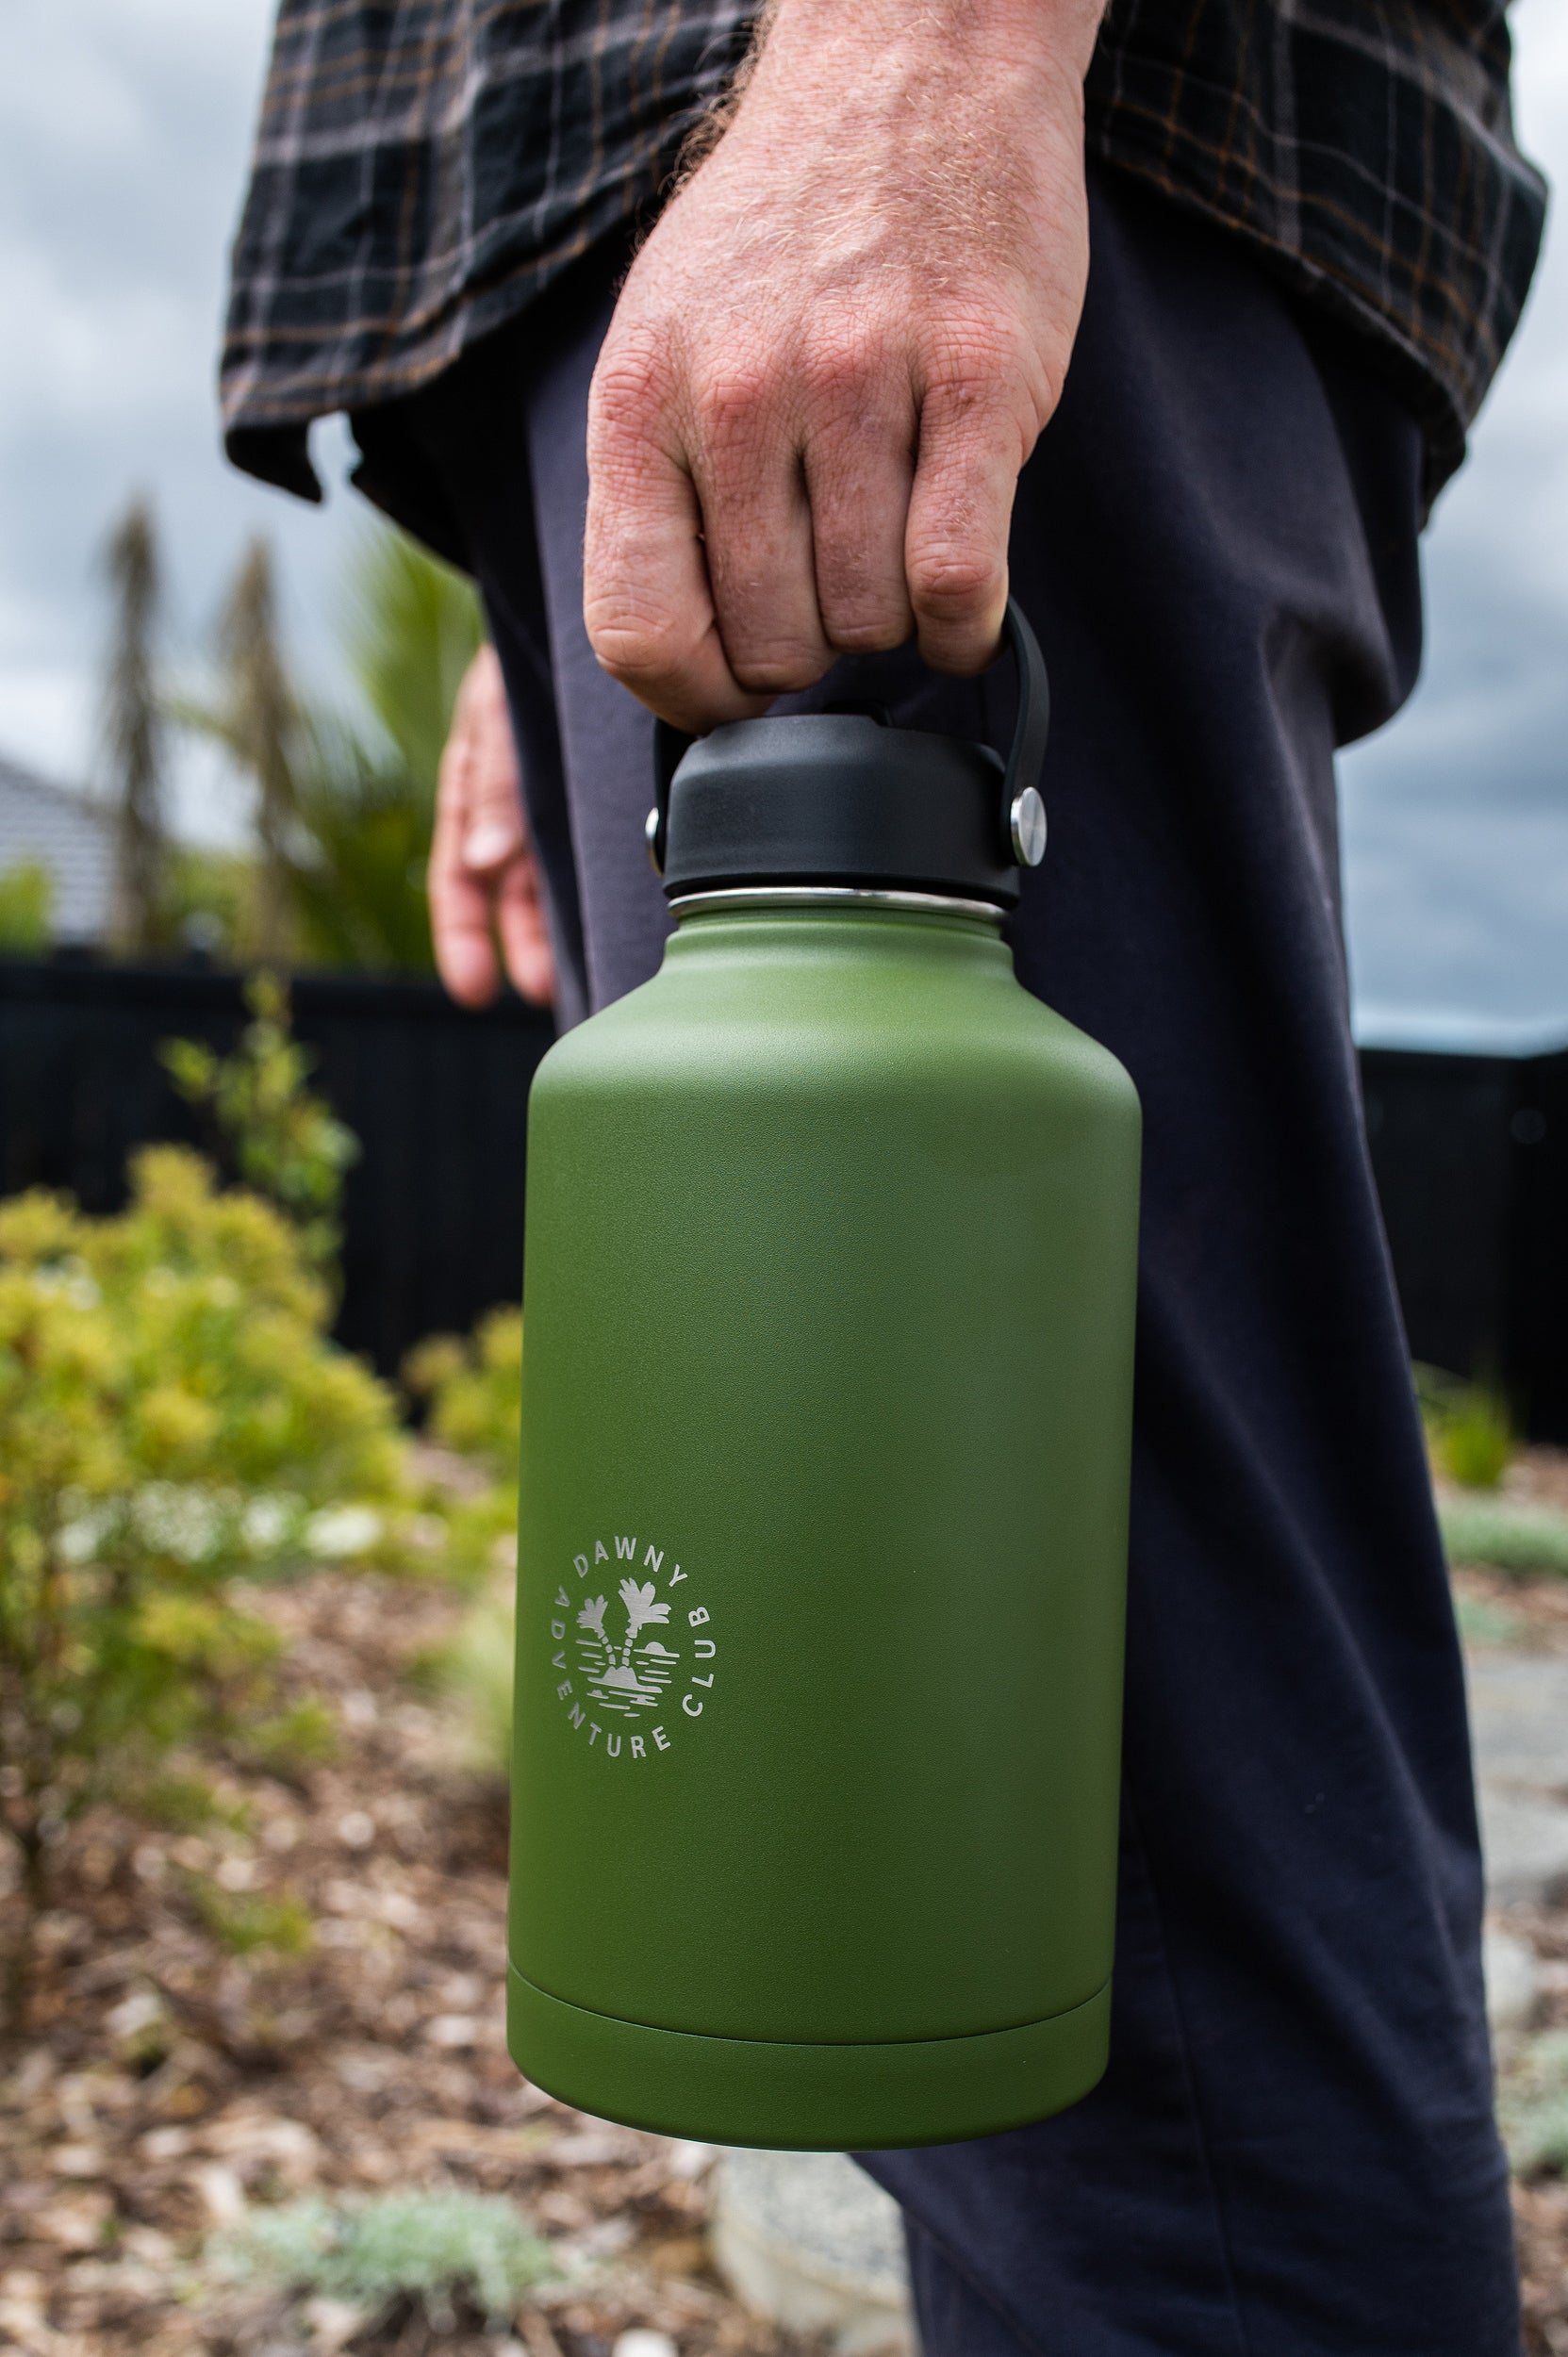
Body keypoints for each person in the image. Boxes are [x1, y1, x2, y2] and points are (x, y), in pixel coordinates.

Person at [223, 5, 1545, 2348]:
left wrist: (925, 64)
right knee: (973, 1962)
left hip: (1008, 140)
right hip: (631, 233)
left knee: (1145, 1986)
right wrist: (539, 577)